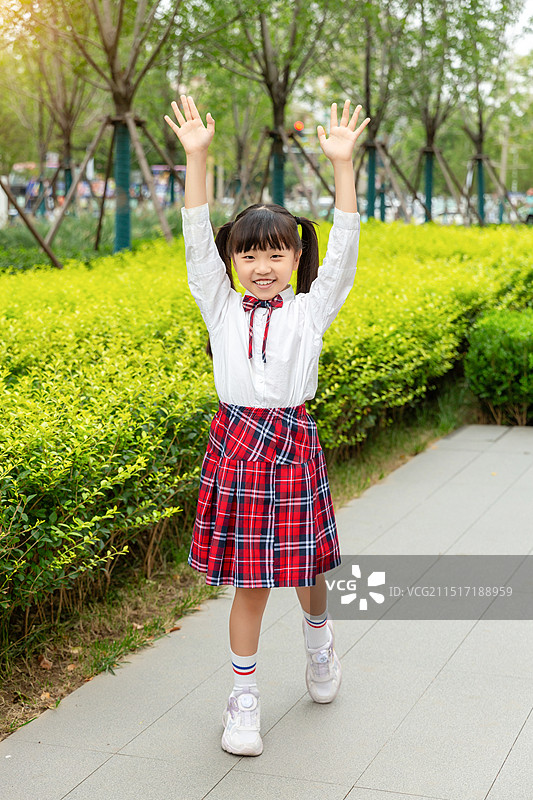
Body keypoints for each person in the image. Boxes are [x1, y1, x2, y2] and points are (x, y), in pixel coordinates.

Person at [165, 95, 369, 757]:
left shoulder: (310, 312)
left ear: (291, 259)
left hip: (291, 443)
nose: (260, 266)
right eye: (248, 255)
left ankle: (319, 644)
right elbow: (195, 233)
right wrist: (196, 157)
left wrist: (342, 165)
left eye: (275, 255)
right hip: (238, 447)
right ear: (230, 261)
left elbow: (343, 248)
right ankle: (243, 701)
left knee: (306, 566)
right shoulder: (218, 307)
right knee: (253, 580)